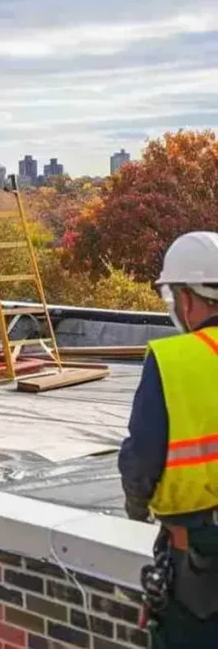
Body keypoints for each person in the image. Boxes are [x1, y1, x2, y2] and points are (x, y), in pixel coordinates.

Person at [119, 231, 218, 648]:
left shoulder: (173, 361)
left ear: (188, 298)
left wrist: (136, 503)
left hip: (200, 560)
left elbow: (143, 457)